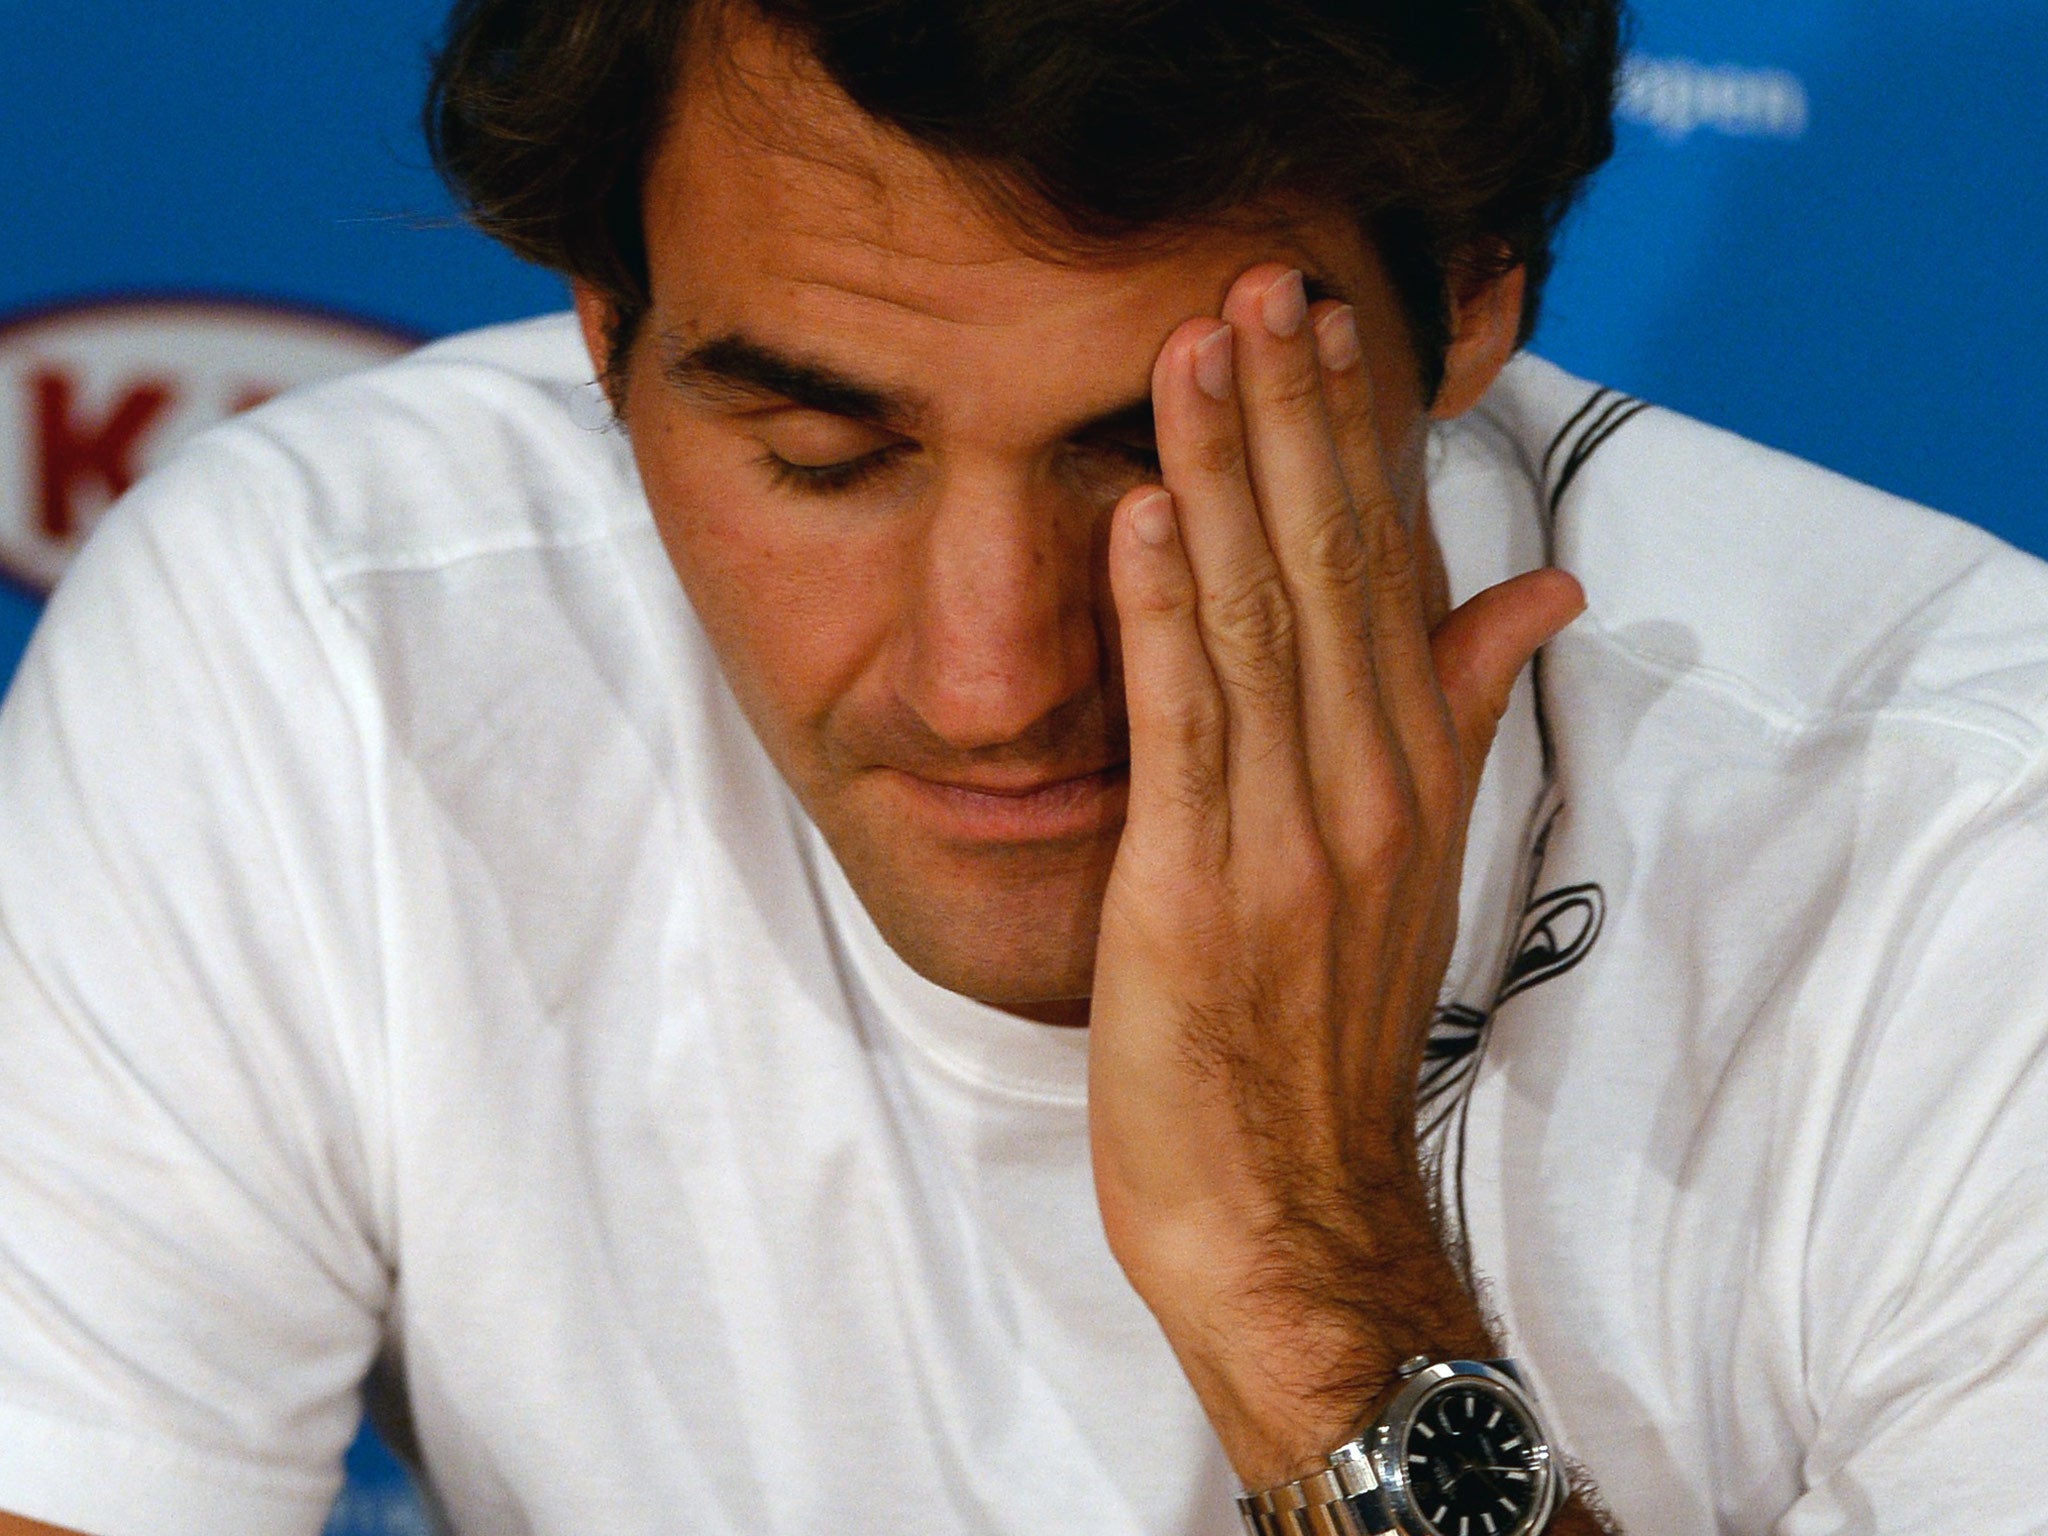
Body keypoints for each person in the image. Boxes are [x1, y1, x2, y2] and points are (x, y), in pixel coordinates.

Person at [2, 1, 2046, 1532]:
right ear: (602, 329)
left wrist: (1305, 1270)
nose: (988, 683)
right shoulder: (326, 633)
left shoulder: (1966, 859)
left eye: (1154, 458)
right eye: (820, 457)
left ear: (1475, 305)